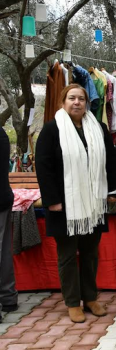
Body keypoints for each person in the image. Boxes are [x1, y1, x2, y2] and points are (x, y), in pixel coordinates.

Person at [36, 84, 116, 323]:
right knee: (67, 255)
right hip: (64, 206)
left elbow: (110, 162)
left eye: (81, 98)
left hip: (93, 204)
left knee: (91, 253)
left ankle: (90, 298)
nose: (77, 102)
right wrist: (52, 201)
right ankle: (73, 302)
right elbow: (44, 167)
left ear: (87, 102)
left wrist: (113, 190)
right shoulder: (52, 130)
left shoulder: (98, 128)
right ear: (63, 102)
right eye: (71, 98)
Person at [0, 126, 16, 323]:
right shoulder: (2, 133)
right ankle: (8, 297)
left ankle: (8, 296)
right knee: (3, 252)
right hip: (3, 196)